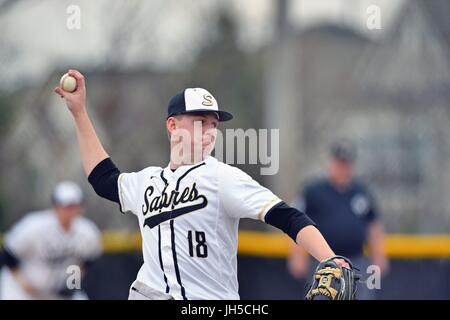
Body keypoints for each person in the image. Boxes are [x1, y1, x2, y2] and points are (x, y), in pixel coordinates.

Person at [54, 69, 350, 300]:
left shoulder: (223, 178)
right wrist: (79, 112)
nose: (209, 131)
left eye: (213, 125)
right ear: (173, 125)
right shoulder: (147, 181)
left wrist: (329, 258)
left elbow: (288, 215)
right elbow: (103, 179)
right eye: (200, 121)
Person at [288, 141, 388, 299]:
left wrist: (379, 256)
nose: (342, 168)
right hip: (323, 262)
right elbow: (297, 223)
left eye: (345, 164)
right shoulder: (314, 191)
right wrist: (297, 255)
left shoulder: (361, 192)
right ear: (331, 163)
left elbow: (373, 226)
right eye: (338, 163)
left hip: (356, 261)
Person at [0, 181, 102, 300]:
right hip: (20, 290)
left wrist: (72, 283)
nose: (70, 211)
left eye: (74, 206)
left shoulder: (88, 232)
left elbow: (88, 261)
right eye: (66, 206)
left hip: (55, 292)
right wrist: (22, 281)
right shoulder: (33, 226)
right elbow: (8, 254)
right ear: (56, 206)